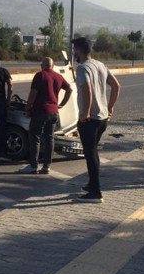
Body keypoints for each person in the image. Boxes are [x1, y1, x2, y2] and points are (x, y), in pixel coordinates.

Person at [72, 37, 120, 203]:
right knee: (93, 152)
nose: (74, 53)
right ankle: (92, 184)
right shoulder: (100, 65)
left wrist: (85, 112)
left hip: (90, 119)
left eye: (74, 50)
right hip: (102, 118)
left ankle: (96, 193)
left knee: (90, 154)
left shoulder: (82, 68)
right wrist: (110, 107)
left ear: (79, 50)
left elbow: (87, 90)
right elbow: (116, 86)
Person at [18, 57, 72, 174]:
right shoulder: (58, 76)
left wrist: (27, 107)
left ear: (42, 66)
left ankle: (33, 165)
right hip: (54, 112)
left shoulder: (40, 75)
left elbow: (33, 93)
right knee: (49, 138)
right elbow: (69, 89)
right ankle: (47, 166)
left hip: (40, 111)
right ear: (52, 66)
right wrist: (61, 104)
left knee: (35, 137)